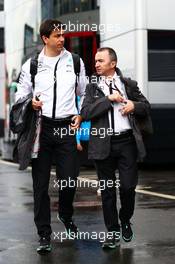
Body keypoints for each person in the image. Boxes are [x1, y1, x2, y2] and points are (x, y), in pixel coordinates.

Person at [15, 19, 87, 254]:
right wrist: (31, 103)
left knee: (69, 181)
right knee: (40, 186)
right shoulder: (32, 65)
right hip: (41, 129)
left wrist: (81, 114)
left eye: (62, 35)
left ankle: (65, 214)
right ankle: (44, 234)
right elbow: (20, 98)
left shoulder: (75, 62)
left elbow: (84, 93)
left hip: (66, 128)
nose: (62, 39)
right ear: (45, 38)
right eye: (57, 36)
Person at [81, 47, 152, 249]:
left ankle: (125, 220)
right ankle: (112, 232)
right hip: (102, 143)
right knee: (107, 191)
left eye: (100, 61)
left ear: (113, 64)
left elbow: (146, 106)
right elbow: (85, 112)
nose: (96, 64)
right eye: (95, 61)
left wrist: (133, 106)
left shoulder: (128, 84)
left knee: (128, 187)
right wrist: (107, 99)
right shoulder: (92, 87)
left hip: (127, 142)